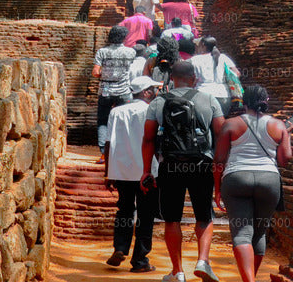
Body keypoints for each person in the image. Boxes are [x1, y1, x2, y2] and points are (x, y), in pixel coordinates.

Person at [141, 60, 226, 282]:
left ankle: (177, 271)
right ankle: (203, 261)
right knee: (204, 216)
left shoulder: (158, 102)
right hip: (201, 165)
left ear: (172, 79)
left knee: (171, 219)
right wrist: (219, 167)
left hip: (170, 165)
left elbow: (148, 138)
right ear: (194, 78)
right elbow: (222, 135)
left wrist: (145, 171)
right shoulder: (209, 99)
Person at [213, 85, 292, 282]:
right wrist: (286, 134)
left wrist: (217, 188)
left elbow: (219, 160)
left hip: (237, 178)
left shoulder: (231, 124)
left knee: (241, 233)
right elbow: (284, 159)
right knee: (259, 233)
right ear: (266, 101)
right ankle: (250, 278)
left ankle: (249, 280)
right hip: (269, 180)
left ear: (243, 103)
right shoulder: (278, 125)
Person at [105, 75, 164, 273]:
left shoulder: (116, 111)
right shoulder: (152, 110)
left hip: (121, 171)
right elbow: (156, 142)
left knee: (124, 210)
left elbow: (108, 143)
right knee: (146, 215)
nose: (156, 92)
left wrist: (108, 173)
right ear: (146, 92)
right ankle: (140, 261)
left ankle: (120, 248)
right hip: (147, 172)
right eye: (154, 89)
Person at [94, 25, 137, 163]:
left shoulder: (102, 52)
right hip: (124, 91)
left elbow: (95, 72)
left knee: (103, 121)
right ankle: (123, 152)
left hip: (106, 90)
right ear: (124, 37)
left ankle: (103, 153)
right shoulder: (131, 52)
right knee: (126, 120)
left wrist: (106, 74)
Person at [191, 36, 242, 114]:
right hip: (223, 96)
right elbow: (237, 73)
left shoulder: (195, 59)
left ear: (203, 45)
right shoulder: (224, 58)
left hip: (202, 94)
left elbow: (194, 79)